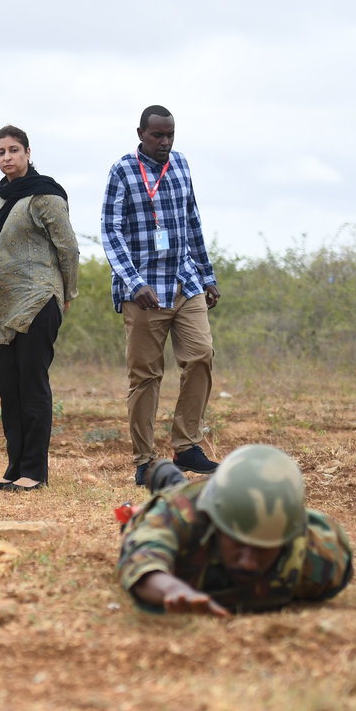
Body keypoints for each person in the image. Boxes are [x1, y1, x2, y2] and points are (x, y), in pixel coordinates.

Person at [101, 105, 221, 487]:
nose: (164, 142)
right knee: (146, 376)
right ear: (140, 134)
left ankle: (187, 445)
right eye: (157, 135)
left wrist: (207, 275)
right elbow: (111, 231)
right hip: (144, 293)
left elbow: (193, 222)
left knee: (201, 355)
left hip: (185, 283)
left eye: (170, 135)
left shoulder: (181, 165)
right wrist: (135, 283)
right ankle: (145, 460)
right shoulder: (122, 171)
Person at [118, 444, 353, 616]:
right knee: (172, 494)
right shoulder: (176, 517)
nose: (248, 563)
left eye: (262, 549)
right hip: (188, 508)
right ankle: (162, 472)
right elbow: (141, 559)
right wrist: (172, 589)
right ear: (215, 525)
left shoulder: (319, 559)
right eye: (238, 543)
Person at [0, 125, 78, 492]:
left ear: (28, 153)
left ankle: (35, 472)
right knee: (9, 390)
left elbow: (68, 249)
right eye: (0, 152)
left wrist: (66, 294)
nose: (7, 157)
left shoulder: (45, 196)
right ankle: (14, 468)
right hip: (1, 308)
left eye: (14, 150)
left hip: (37, 302)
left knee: (32, 386)